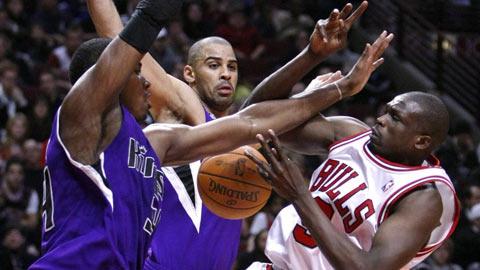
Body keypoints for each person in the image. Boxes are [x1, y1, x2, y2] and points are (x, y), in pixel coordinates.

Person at [86, 1, 371, 269]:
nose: (225, 74)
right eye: (213, 65)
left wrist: (311, 83)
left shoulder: (244, 131)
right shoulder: (185, 110)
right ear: (189, 74)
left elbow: (258, 115)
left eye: (232, 67)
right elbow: (120, 43)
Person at [245, 91, 460, 269]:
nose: (380, 119)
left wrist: (299, 194)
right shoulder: (352, 135)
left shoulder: (421, 198)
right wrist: (313, 60)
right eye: (385, 111)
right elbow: (256, 116)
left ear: (421, 142)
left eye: (394, 117)